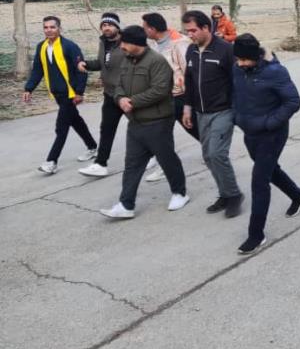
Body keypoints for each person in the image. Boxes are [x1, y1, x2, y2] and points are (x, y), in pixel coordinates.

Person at [99, 26, 189, 219]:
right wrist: (120, 98)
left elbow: (160, 89)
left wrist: (132, 102)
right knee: (132, 164)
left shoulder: (157, 61)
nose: (121, 46)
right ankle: (126, 204)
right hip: (135, 123)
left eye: (124, 42)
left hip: (158, 121)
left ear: (135, 43)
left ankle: (179, 193)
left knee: (167, 159)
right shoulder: (127, 61)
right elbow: (119, 85)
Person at [232, 34, 300, 255]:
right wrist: (236, 116)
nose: (241, 63)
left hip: (272, 134)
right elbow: (235, 94)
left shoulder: (275, 72)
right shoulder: (238, 69)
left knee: (259, 180)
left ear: (256, 56)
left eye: (245, 59)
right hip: (249, 132)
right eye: (238, 59)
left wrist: (269, 122)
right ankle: (297, 194)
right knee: (271, 171)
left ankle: (256, 234)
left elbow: (293, 101)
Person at [182, 10, 244, 218]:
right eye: (187, 31)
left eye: (193, 30)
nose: (190, 35)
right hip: (201, 112)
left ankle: (234, 195)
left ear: (206, 28)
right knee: (208, 156)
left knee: (218, 153)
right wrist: (187, 107)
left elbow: (238, 81)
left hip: (223, 111)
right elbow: (189, 80)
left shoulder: (225, 50)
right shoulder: (191, 50)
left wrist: (238, 110)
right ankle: (225, 194)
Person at [23, 16, 98, 174]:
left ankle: (51, 161)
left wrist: (79, 92)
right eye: (46, 27)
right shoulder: (41, 47)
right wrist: (29, 88)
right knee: (75, 121)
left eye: (52, 27)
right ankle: (92, 147)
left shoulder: (69, 46)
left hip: (69, 94)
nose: (49, 30)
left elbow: (81, 70)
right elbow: (38, 70)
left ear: (59, 29)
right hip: (56, 93)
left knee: (61, 127)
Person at [142, 12, 198, 183]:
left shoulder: (179, 44)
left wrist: (187, 98)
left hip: (178, 96)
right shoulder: (152, 44)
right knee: (161, 134)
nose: (143, 30)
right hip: (162, 97)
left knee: (195, 130)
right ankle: (163, 165)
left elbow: (188, 72)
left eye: (145, 27)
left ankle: (214, 151)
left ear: (152, 29)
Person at [78, 13, 125, 178]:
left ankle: (154, 156)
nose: (106, 27)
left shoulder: (127, 43)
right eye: (104, 25)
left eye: (110, 24)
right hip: (110, 94)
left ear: (117, 27)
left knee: (141, 128)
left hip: (128, 94)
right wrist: (87, 64)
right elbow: (102, 63)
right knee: (106, 129)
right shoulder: (104, 43)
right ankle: (100, 163)